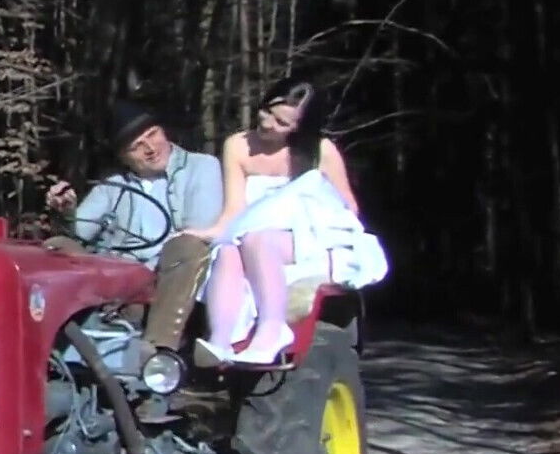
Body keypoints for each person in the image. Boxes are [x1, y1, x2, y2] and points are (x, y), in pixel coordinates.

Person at [183, 77, 388, 366]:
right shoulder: (238, 146)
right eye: (267, 111)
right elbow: (234, 211)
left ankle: (271, 328)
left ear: (300, 128)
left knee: (257, 238)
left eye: (282, 123)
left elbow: (347, 208)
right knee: (228, 250)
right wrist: (204, 233)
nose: (268, 123)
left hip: (312, 234)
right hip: (250, 233)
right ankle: (220, 341)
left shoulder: (321, 150)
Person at [45, 99, 223, 351]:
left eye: (153, 134)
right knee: (57, 245)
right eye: (137, 146)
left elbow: (202, 228)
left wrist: (141, 276)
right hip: (116, 273)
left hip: (168, 271)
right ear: (123, 157)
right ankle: (57, 341)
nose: (150, 148)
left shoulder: (201, 166)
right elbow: (79, 234)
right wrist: (65, 211)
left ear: (163, 131)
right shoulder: (114, 184)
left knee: (189, 247)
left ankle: (157, 350)